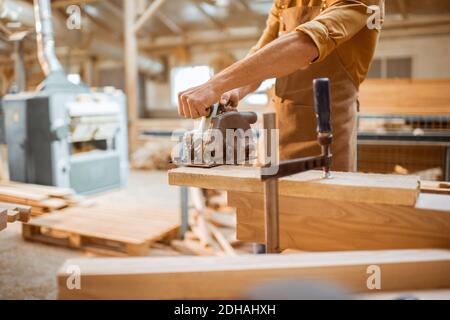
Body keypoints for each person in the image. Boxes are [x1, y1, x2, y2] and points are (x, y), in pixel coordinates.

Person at [178, 0, 384, 172]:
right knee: (265, 211)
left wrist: (215, 84)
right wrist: (233, 90)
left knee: (319, 216)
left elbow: (305, 45)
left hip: (325, 138)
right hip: (276, 133)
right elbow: (263, 51)